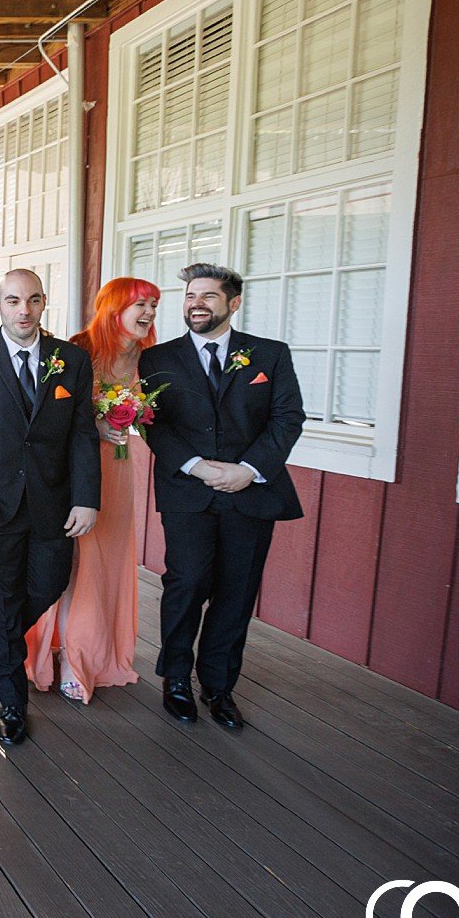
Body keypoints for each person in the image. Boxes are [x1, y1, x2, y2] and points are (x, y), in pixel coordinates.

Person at [0, 268, 101, 746]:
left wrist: (86, 498)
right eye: (13, 301)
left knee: (47, 584)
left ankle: (0, 629)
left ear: (43, 302)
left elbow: (83, 435)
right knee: (3, 600)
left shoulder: (71, 359)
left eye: (31, 300)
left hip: (54, 505)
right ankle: (12, 704)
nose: (23, 310)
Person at [137, 263, 304, 730]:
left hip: (249, 494)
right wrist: (198, 467)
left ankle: (218, 687)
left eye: (209, 296)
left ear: (233, 303)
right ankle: (175, 679)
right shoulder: (158, 359)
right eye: (191, 295)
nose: (197, 304)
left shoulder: (269, 355)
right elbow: (154, 423)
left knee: (236, 592)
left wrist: (247, 470)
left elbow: (288, 417)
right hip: (189, 493)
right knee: (186, 585)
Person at [25, 279, 159, 704]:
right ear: (115, 306)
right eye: (141, 304)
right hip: (75, 471)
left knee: (106, 566)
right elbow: (49, 413)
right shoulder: (76, 350)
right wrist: (96, 426)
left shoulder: (151, 359)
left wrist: (131, 420)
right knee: (73, 564)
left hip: (119, 472)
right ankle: (63, 654)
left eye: (154, 305)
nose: (149, 313)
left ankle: (91, 655)